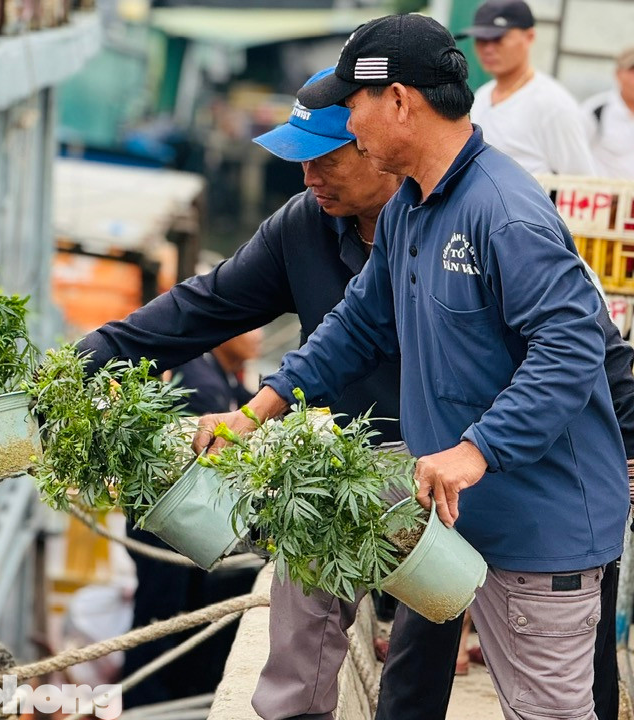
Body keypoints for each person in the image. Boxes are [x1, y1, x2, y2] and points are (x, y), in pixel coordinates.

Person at [77, 63, 634, 720]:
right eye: (301, 162)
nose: (308, 177)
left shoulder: (492, 215)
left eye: (327, 159)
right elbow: (212, 309)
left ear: (378, 142)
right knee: (323, 556)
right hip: (397, 469)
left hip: (505, 474)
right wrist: (80, 368)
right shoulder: (310, 227)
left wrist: (618, 457)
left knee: (561, 670)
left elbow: (591, 349)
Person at [121, 330, 263, 707]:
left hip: (183, 521)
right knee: (159, 617)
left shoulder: (220, 376)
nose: (259, 334)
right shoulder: (200, 383)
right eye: (251, 326)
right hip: (165, 523)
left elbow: (253, 409)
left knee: (181, 613)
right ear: (224, 334)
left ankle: (170, 697)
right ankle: (143, 703)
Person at [462, 0, 597, 176]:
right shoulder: (482, 96)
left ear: (529, 37)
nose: (488, 49)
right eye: (481, 39)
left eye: (497, 38)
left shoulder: (552, 103)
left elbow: (580, 181)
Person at [581, 47, 634, 179]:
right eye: (632, 70)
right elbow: (574, 155)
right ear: (618, 74)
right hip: (604, 191)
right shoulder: (596, 111)